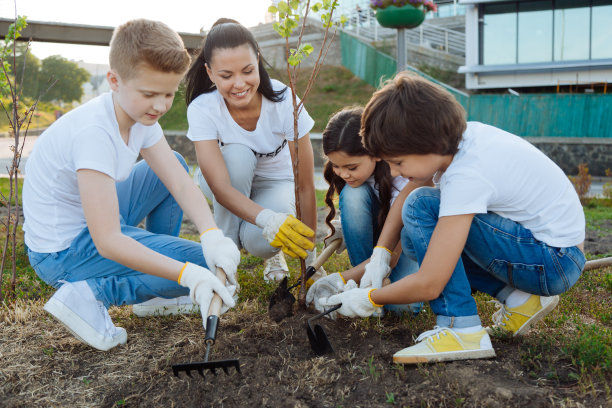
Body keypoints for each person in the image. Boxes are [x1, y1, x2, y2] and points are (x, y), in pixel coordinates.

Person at [321, 72, 586, 364]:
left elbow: (431, 282)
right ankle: (520, 299)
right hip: (552, 255)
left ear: (424, 143)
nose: (394, 172)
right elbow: (413, 186)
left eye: (397, 162)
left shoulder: (466, 174)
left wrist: (369, 298)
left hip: (552, 261)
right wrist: (382, 254)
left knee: (421, 207)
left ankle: (461, 328)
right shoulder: (460, 141)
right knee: (412, 231)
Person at [23, 19, 240, 352]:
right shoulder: (93, 134)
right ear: (114, 80)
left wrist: (211, 234)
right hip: (62, 251)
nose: (160, 106)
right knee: (200, 268)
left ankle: (152, 296)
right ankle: (88, 294)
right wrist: (186, 275)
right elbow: (109, 240)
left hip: (89, 221)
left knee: (176, 168)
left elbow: (178, 182)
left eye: (169, 93)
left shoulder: (138, 114)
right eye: (150, 94)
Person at [184, 18, 318, 282]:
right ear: (210, 73)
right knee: (237, 155)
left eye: (247, 71)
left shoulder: (284, 101)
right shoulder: (202, 108)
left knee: (261, 242)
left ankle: (270, 253)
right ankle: (225, 256)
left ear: (257, 60)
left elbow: (304, 184)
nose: (239, 84)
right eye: (226, 75)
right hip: (228, 180)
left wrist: (310, 254)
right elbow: (221, 187)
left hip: (276, 183)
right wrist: (267, 218)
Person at [306, 107, 422, 317]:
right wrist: (346, 223)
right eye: (336, 166)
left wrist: (339, 278)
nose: (343, 174)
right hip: (376, 242)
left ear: (375, 154)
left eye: (351, 167)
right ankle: (364, 283)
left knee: (402, 310)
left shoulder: (403, 177)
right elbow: (357, 199)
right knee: (353, 194)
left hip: (405, 243)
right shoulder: (354, 180)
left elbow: (391, 256)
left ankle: (364, 282)